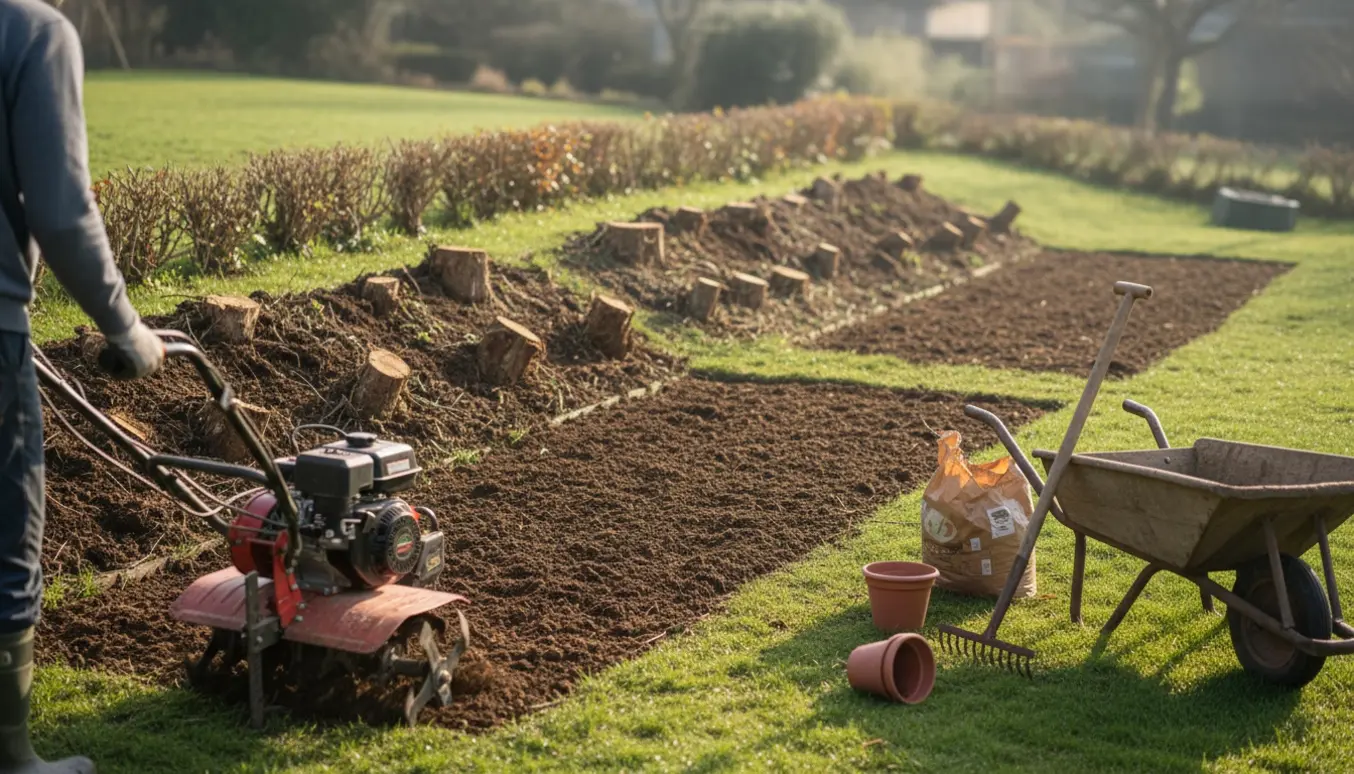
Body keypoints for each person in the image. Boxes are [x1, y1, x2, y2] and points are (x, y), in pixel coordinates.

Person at [1, 1, 165, 772]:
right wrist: (125, 328)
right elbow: (63, 212)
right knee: (8, 538)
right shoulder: (33, 30)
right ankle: (13, 756)